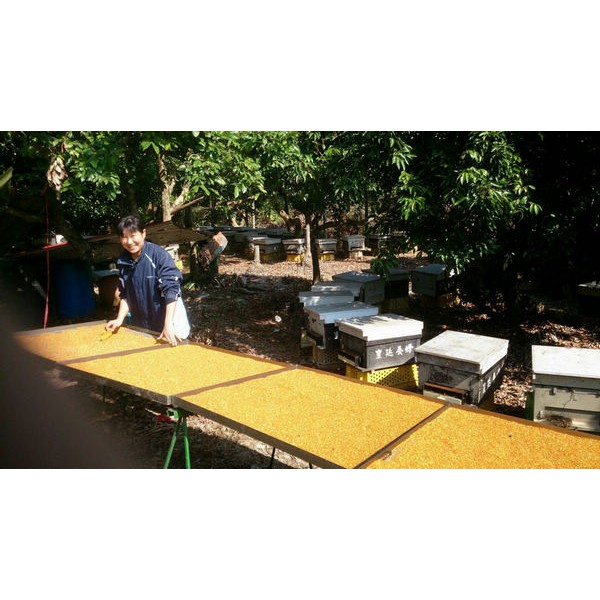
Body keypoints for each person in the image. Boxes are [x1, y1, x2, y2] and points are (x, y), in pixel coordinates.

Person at [105, 215, 189, 346]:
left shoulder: (159, 256)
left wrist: (168, 324)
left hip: (170, 322)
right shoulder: (123, 261)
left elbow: (172, 290)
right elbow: (125, 294)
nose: (129, 241)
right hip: (145, 324)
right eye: (124, 237)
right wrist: (119, 319)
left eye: (133, 236)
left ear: (143, 233)